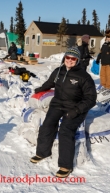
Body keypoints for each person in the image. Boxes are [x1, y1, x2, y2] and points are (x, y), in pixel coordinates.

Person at [30, 47, 97, 178]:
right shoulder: (58, 71)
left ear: (77, 60)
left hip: (75, 106)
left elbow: (91, 99)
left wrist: (77, 110)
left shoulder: (84, 76)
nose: (70, 60)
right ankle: (42, 152)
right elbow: (50, 83)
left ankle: (66, 166)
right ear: (64, 57)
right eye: (68, 57)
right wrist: (40, 89)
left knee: (65, 130)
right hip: (58, 103)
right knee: (47, 125)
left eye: (73, 58)